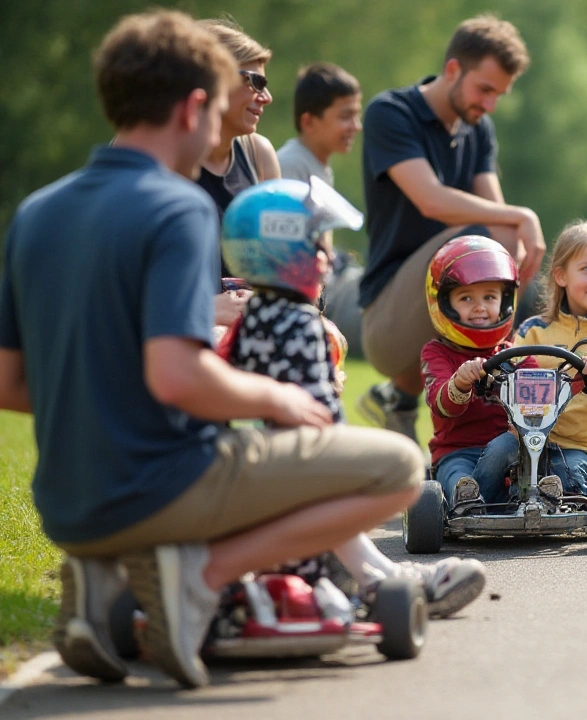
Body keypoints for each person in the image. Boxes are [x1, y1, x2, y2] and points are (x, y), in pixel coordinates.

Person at [0, 11, 424, 689]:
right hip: (162, 485)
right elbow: (178, 377)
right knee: (399, 467)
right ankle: (198, 576)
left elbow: (10, 383)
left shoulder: (37, 211)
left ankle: (108, 571)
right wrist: (277, 395)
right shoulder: (176, 208)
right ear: (196, 104)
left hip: (68, 503)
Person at [219, 179, 486, 617]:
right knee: (390, 471)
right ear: (288, 254)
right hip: (301, 462)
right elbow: (323, 415)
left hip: (256, 461)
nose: (329, 261)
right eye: (320, 248)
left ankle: (366, 573)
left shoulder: (248, 319)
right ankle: (377, 582)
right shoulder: (305, 325)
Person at [356, 14, 546, 446]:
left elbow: (502, 222)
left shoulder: (478, 129)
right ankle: (404, 389)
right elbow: (431, 200)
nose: (490, 104)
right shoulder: (391, 113)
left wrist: (515, 228)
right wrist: (521, 214)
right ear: (454, 69)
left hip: (449, 308)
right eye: (485, 89)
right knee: (484, 236)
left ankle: (408, 402)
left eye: (499, 94)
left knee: (501, 246)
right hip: (388, 322)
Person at [480, 221, 587, 502]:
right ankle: (473, 505)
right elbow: (505, 371)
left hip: (578, 445)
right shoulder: (532, 330)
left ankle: (560, 501)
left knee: (569, 475)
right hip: (522, 438)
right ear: (561, 276)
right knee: (496, 455)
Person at [420, 235, 536, 510]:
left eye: (489, 296)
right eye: (466, 297)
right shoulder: (436, 352)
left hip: (511, 454)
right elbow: (441, 403)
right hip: (457, 450)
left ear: (505, 302)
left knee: (508, 445)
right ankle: (465, 494)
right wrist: (459, 383)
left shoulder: (517, 354)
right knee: (455, 472)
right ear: (444, 303)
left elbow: (540, 396)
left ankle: (536, 492)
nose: (479, 306)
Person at [195, 19, 281, 331]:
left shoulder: (259, 155)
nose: (266, 97)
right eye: (255, 82)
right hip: (183, 333)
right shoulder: (159, 156)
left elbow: (278, 264)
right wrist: (203, 309)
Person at [277, 62, 362, 186]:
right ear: (308, 122)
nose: (356, 126)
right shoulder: (291, 166)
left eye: (357, 115)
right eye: (345, 116)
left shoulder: (317, 165)